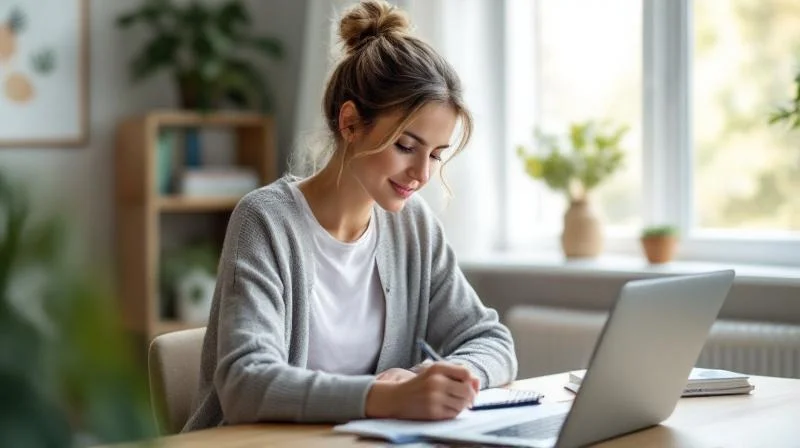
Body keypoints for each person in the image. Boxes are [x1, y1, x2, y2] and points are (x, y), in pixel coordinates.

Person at [183, 0, 517, 430]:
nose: (421, 174)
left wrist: (422, 382)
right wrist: (386, 397)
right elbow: (246, 383)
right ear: (350, 123)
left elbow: (492, 342)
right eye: (405, 146)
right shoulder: (266, 220)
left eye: (436, 155)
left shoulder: (413, 227)